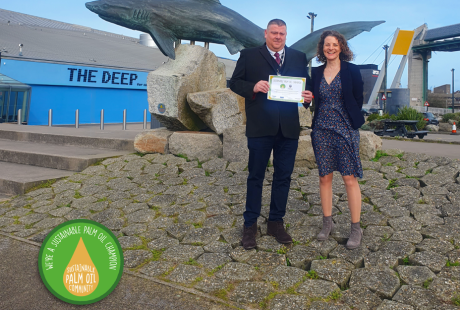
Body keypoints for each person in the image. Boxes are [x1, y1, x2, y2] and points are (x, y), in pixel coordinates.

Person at [229, 19, 313, 250]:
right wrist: (252, 87)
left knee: (283, 177)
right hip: (260, 127)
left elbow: (307, 87)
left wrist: (308, 97)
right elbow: (234, 82)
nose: (278, 37)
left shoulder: (298, 57)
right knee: (255, 176)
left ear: (286, 35)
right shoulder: (249, 55)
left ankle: (276, 222)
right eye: (274, 33)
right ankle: (250, 225)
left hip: (288, 129)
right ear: (266, 33)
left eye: (282, 33)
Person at [308, 30, 365, 249]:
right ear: (322, 49)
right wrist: (305, 99)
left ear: (341, 46)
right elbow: (311, 99)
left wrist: (348, 120)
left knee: (349, 178)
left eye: (334, 44)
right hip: (321, 129)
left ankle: (355, 228)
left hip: (345, 129)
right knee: (324, 177)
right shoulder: (316, 72)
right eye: (326, 45)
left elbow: (357, 98)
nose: (330, 48)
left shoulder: (351, 70)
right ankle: (327, 224)